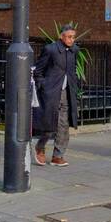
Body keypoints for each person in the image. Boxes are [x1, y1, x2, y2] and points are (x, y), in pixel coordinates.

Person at [33, 25, 81, 167]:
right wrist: (44, 85)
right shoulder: (50, 49)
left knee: (63, 125)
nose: (72, 40)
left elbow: (72, 70)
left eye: (73, 37)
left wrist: (74, 85)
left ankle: (57, 156)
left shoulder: (75, 50)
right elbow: (38, 70)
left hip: (67, 92)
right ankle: (40, 147)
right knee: (50, 124)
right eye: (69, 37)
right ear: (61, 36)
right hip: (51, 92)